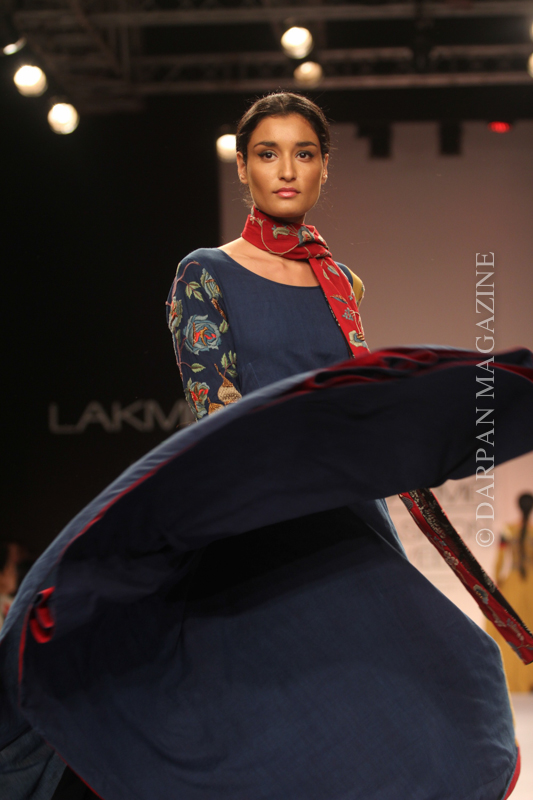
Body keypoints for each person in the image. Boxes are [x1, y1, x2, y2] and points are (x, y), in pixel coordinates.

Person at [1, 92, 532, 800]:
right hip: (254, 511)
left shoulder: (342, 283)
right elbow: (213, 410)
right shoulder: (204, 272)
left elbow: (351, 402)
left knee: (450, 668)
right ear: (243, 169)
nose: (286, 170)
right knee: (262, 698)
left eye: (303, 154)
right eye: (267, 153)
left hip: (345, 515)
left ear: (323, 169)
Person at [486, 492, 533, 692]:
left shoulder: (508, 530)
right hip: (531, 585)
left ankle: (511, 677)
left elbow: (500, 559)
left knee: (512, 630)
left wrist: (498, 581)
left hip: (513, 583)